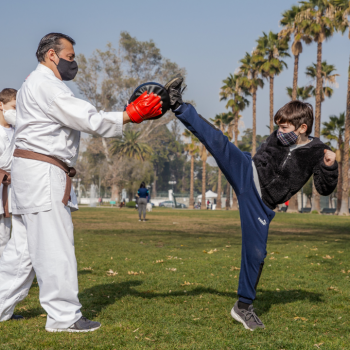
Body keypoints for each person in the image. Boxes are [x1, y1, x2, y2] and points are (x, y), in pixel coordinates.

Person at [0, 33, 163, 332]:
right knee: (54, 248)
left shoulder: (29, 85)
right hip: (42, 172)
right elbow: (84, 117)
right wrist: (130, 115)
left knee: (21, 252)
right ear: (52, 55)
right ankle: (63, 318)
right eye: (70, 57)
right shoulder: (46, 85)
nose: (73, 64)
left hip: (29, 173)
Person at [165, 75, 338, 330]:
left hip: (262, 205)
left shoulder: (318, 151)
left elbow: (324, 189)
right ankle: (177, 104)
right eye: (278, 126)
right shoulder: (277, 137)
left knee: (256, 254)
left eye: (286, 128)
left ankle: (243, 307)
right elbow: (263, 155)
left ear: (302, 128)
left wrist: (329, 166)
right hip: (248, 173)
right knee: (218, 141)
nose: (280, 132)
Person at [0, 88, 17, 258]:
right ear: (1, 105)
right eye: (13, 107)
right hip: (2, 184)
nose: (16, 112)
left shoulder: (20, 131)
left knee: (11, 237)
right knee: (1, 237)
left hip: (16, 188)